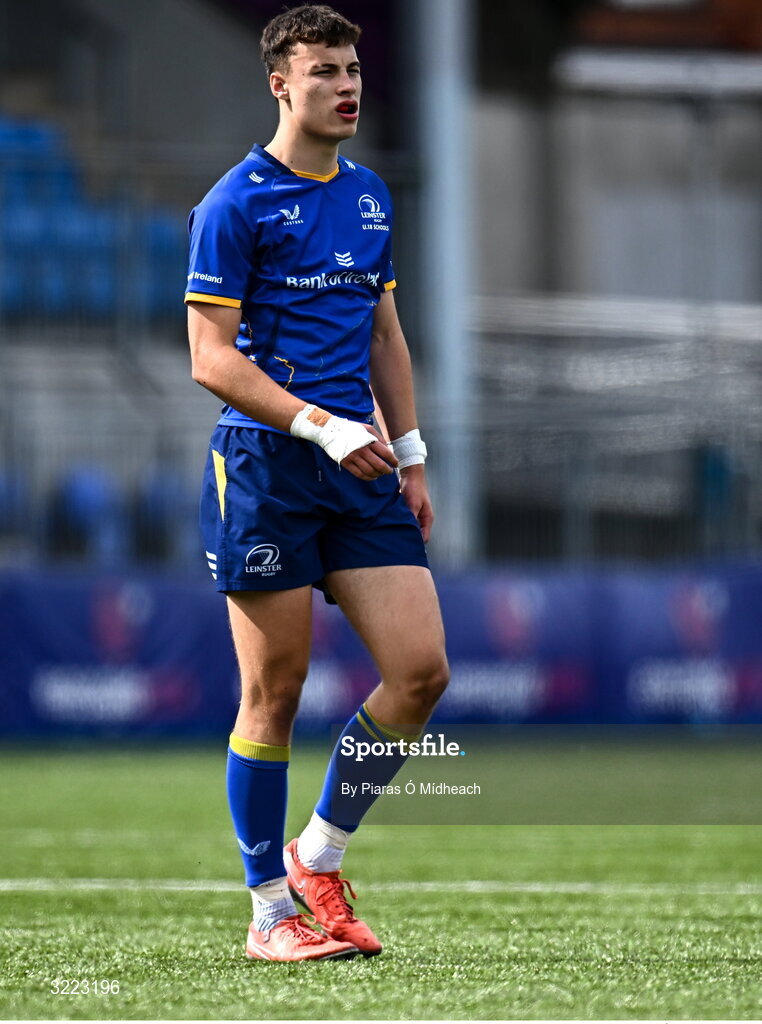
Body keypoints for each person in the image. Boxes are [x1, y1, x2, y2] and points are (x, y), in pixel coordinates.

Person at [185, 3, 448, 963]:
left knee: (420, 673)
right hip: (268, 466)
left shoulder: (371, 195)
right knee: (277, 693)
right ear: (279, 83)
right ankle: (267, 913)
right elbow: (210, 358)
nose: (347, 86)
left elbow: (384, 335)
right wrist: (321, 426)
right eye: (326, 70)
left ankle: (318, 856)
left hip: (364, 469)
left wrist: (410, 455)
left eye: (355, 69)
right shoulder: (233, 204)